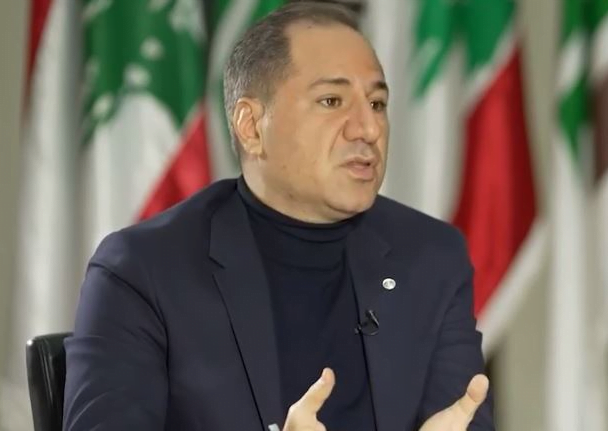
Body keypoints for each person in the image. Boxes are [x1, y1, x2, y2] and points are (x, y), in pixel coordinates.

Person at [62, 2, 495, 430]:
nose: (368, 129)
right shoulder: (144, 270)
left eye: (378, 103)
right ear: (251, 127)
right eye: (332, 100)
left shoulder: (430, 257)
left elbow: (463, 419)